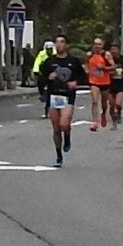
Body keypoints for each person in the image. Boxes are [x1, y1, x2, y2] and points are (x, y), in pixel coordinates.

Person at [37, 35, 86, 167]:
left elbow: (83, 76)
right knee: (56, 128)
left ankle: (68, 137)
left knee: (64, 124)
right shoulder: (49, 62)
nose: (59, 45)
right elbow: (40, 78)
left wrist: (76, 82)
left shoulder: (73, 61)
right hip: (53, 96)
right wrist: (48, 78)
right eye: (57, 42)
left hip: (67, 96)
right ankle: (58, 155)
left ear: (67, 45)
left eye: (62, 42)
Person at [85, 37, 115, 131]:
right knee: (94, 101)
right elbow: (86, 64)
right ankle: (94, 122)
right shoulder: (90, 55)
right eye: (95, 44)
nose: (97, 46)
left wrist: (104, 68)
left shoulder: (106, 54)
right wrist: (87, 71)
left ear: (102, 45)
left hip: (105, 81)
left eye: (99, 44)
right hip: (94, 81)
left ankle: (103, 114)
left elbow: (113, 66)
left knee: (104, 103)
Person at [32, 41, 54, 118]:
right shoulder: (42, 54)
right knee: (40, 82)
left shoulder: (56, 54)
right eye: (48, 49)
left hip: (54, 74)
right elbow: (37, 62)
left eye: (50, 49)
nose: (49, 51)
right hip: (44, 73)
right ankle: (43, 94)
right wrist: (36, 70)